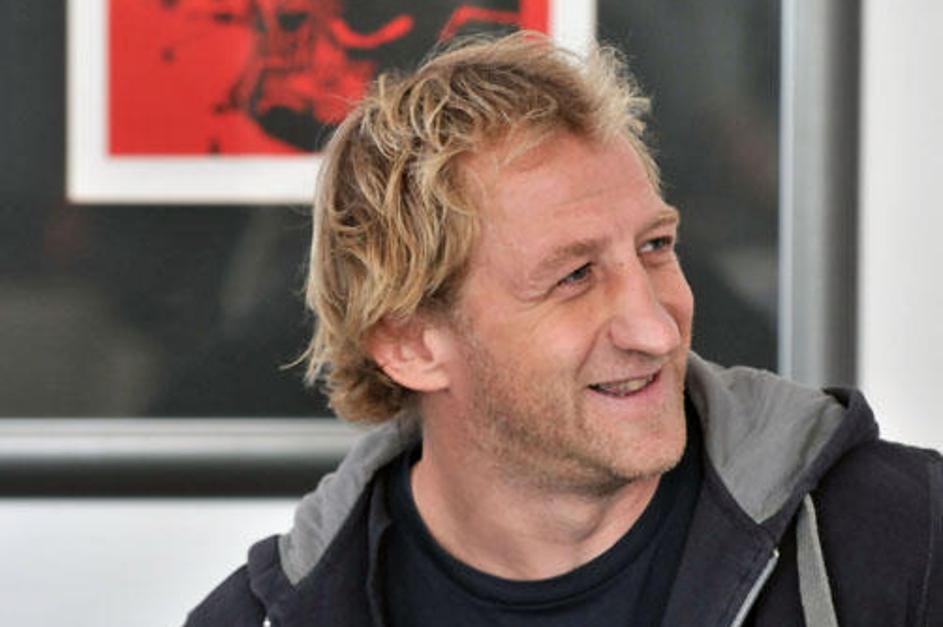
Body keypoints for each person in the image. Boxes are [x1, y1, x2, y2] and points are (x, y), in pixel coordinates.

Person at [186, 32, 942, 626]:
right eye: (574, 276)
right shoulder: (268, 617)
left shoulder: (907, 540)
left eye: (655, 246)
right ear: (410, 344)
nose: (655, 329)